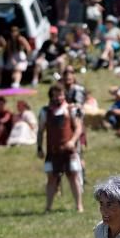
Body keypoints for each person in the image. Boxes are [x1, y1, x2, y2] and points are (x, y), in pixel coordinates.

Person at [37, 84, 83, 213]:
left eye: (61, 94)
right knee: (51, 178)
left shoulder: (70, 109)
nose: (59, 97)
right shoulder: (45, 112)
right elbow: (40, 131)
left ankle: (79, 205)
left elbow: (78, 128)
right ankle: (48, 207)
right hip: (53, 151)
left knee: (73, 176)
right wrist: (39, 148)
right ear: (51, 96)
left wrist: (72, 141)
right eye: (56, 94)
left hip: (69, 151)